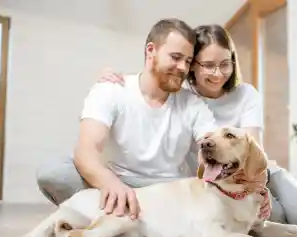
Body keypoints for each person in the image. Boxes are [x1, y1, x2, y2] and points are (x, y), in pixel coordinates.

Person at [97, 24, 297, 229]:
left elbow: (253, 147)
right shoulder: (182, 94)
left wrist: (258, 188)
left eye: (225, 63)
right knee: (264, 222)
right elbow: (151, 81)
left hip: (258, 172)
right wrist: (113, 76)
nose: (218, 74)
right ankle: (296, 213)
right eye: (208, 65)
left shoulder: (246, 95)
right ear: (192, 66)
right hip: (217, 183)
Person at [36, 18, 224, 220]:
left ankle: (122, 217)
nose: (182, 68)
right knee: (53, 172)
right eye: (176, 57)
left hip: (171, 190)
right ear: (151, 50)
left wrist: (211, 160)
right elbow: (86, 150)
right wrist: (110, 183)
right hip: (122, 182)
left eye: (187, 61)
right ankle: (135, 214)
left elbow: (212, 142)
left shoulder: (192, 104)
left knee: (260, 171)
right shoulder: (111, 90)